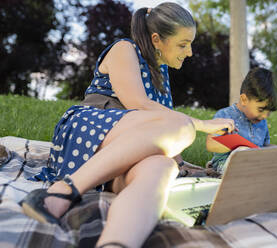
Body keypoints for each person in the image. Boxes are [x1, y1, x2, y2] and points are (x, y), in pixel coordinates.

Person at [21, 3, 235, 248]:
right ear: (157, 39)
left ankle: (117, 242)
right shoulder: (125, 49)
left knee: (162, 169)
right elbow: (138, 104)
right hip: (90, 131)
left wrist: (185, 166)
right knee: (183, 127)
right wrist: (202, 124)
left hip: (117, 154)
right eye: (183, 44)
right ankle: (62, 192)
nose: (190, 52)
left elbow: (157, 134)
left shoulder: (161, 71)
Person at [206, 67, 277, 174]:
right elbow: (211, 144)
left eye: (269, 111)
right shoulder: (225, 116)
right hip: (226, 165)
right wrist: (238, 145)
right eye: (261, 109)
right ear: (244, 99)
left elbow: (264, 146)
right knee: (242, 152)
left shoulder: (262, 122)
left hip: (255, 165)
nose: (265, 116)